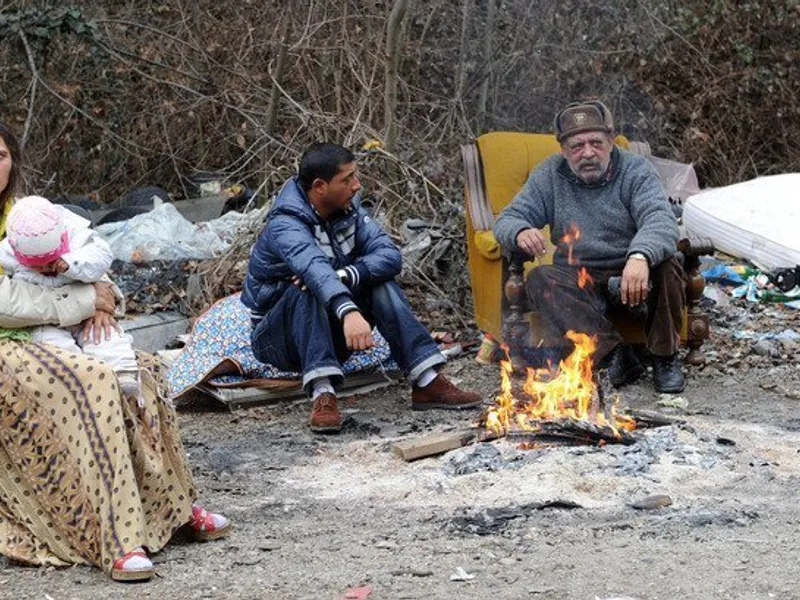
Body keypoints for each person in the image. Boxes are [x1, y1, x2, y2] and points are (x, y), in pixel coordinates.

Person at [0, 122, 230, 582]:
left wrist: (104, 296)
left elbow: (89, 258)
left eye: (0, 154)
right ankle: (120, 536)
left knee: (141, 368)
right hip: (10, 341)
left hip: (55, 327)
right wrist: (87, 302)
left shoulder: (28, 213)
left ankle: (172, 506)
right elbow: (7, 305)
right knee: (94, 380)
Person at [242, 142, 481, 433]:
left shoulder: (350, 209)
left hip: (331, 334)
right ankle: (322, 391)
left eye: (356, 176)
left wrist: (345, 275)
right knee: (307, 285)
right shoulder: (285, 223)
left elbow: (390, 256)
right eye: (347, 179)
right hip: (278, 339)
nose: (357, 185)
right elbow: (313, 268)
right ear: (320, 187)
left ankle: (426, 380)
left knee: (378, 282)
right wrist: (348, 311)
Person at [492, 100, 687, 394]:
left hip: (630, 271)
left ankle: (665, 357)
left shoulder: (636, 170)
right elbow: (507, 219)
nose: (587, 153)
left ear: (610, 141)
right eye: (576, 145)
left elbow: (660, 219)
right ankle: (614, 355)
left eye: (596, 143)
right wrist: (520, 230)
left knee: (667, 265)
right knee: (540, 278)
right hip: (578, 273)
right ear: (563, 150)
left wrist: (640, 255)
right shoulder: (549, 174)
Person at [0, 195, 142, 401]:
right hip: (39, 318)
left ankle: (122, 372)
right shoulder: (8, 252)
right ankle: (79, 377)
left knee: (104, 333)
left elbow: (99, 258)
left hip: (80, 305)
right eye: (36, 265)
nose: (44, 269)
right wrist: (86, 300)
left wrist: (99, 294)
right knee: (51, 346)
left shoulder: (41, 216)